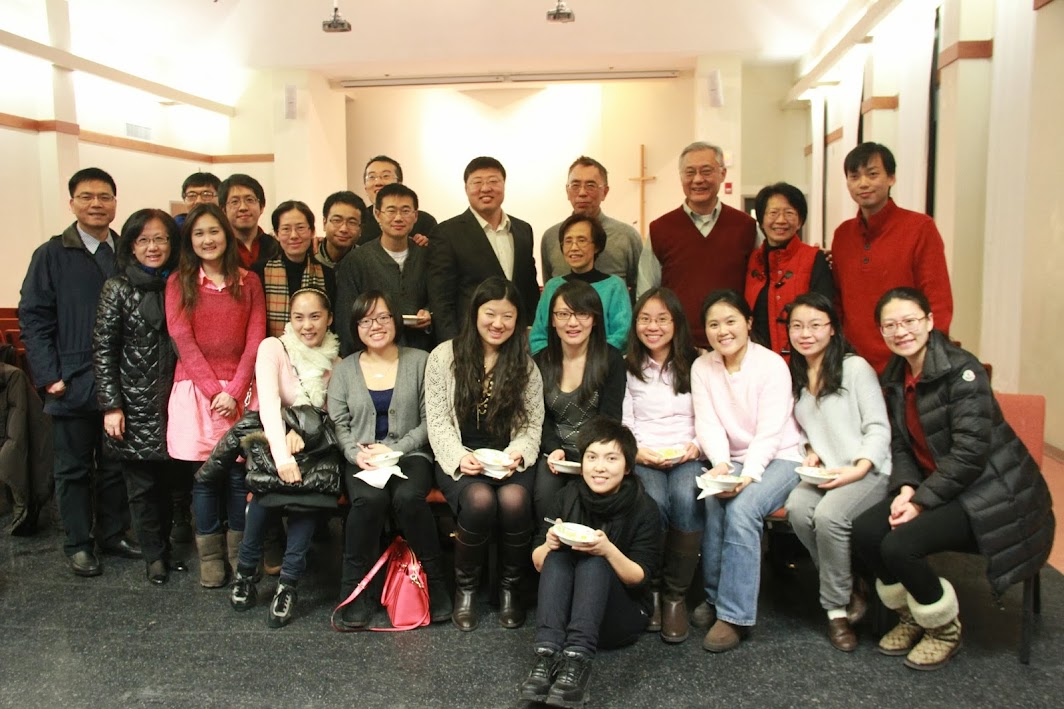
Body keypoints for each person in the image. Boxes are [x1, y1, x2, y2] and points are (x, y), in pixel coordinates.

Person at [852, 287, 1054, 671]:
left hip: (992, 494)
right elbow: (900, 444)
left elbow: (970, 455)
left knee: (899, 545)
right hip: (939, 486)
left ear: (930, 321)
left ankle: (944, 628)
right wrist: (906, 488)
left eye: (909, 321)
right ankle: (913, 615)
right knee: (865, 531)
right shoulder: (895, 374)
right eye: (890, 325)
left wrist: (919, 502)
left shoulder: (963, 372)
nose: (901, 331)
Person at [19, 167, 141, 577]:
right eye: (87, 196)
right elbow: (33, 318)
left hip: (121, 381)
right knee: (72, 468)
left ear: (115, 202)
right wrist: (48, 375)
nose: (96, 204)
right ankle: (78, 543)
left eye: (104, 196)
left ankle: (112, 533)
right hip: (71, 379)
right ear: (71, 203)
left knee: (115, 465)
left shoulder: (127, 252)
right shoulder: (51, 255)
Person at [425, 277, 544, 631]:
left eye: (507, 316)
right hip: (460, 455)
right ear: (475, 312)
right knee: (479, 500)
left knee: (513, 500)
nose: (498, 323)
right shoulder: (443, 356)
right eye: (490, 313)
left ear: (518, 320)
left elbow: (531, 425)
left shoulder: (525, 365)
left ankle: (510, 589)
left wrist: (517, 454)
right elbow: (438, 420)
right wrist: (458, 457)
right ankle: (466, 590)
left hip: (507, 458)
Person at [329, 290, 452, 628]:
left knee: (409, 498)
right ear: (356, 327)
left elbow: (432, 420)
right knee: (368, 501)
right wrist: (356, 453)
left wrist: (397, 449)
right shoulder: (345, 369)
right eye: (366, 320)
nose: (376, 326)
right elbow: (339, 424)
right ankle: (355, 591)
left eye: (383, 317)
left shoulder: (421, 361)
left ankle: (436, 584)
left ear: (396, 320)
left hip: (411, 454)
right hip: (364, 458)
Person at [519, 416, 662, 708]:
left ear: (628, 466)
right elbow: (538, 562)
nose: (599, 467)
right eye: (592, 457)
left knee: (595, 561)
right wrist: (549, 544)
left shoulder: (645, 508)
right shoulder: (566, 496)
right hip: (568, 616)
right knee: (557, 556)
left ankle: (577, 663)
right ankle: (546, 655)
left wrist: (608, 550)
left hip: (620, 615)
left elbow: (639, 577)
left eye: (611, 458)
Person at [690, 289, 804, 652]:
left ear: (748, 323)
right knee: (712, 500)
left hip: (782, 456)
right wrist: (722, 465)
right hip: (735, 458)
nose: (722, 331)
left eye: (731, 321)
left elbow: (771, 432)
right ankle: (714, 596)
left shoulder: (772, 365)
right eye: (713, 324)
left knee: (742, 508)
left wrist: (746, 475)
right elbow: (708, 423)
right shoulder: (702, 367)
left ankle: (735, 616)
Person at [224, 288, 340, 628]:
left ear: (329, 319)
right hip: (273, 438)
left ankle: (288, 583)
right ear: (289, 319)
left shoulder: (337, 362)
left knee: (307, 500)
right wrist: (283, 450)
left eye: (315, 317)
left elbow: (333, 416)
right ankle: (246, 572)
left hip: (315, 447)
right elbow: (269, 405)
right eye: (298, 317)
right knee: (265, 492)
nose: (307, 325)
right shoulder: (273, 348)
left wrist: (304, 435)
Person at [782, 293, 890, 651]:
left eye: (815, 325)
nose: (805, 334)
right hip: (827, 472)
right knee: (798, 509)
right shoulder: (797, 375)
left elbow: (878, 427)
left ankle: (836, 610)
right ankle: (851, 581)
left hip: (869, 470)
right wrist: (811, 451)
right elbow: (804, 429)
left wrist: (858, 469)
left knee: (828, 517)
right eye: (797, 326)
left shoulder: (854, 368)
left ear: (832, 329)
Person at [166, 203, 266, 588]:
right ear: (190, 241)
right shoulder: (179, 282)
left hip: (242, 388)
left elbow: (256, 338)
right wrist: (214, 391)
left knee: (240, 474)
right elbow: (182, 339)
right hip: (196, 390)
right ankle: (210, 558)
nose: (207, 239)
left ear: (226, 234)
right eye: (199, 233)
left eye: (214, 231)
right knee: (205, 477)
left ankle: (240, 555)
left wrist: (235, 390)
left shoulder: (249, 282)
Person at [93, 209, 187, 584]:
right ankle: (154, 557)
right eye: (144, 240)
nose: (153, 247)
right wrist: (111, 405)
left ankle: (166, 548)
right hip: (134, 406)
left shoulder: (179, 285)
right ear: (131, 246)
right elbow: (103, 350)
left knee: (170, 485)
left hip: (174, 403)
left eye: (160, 238)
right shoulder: (117, 288)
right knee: (142, 487)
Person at [623, 287, 703, 643]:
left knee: (686, 498)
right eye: (645, 319)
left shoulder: (698, 363)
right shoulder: (627, 366)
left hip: (688, 453)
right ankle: (652, 588)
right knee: (653, 503)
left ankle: (675, 595)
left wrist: (696, 447)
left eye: (662, 319)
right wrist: (637, 453)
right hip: (645, 455)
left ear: (676, 323)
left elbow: (711, 415)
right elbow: (625, 421)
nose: (652, 327)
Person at [831, 143, 953, 373]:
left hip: (907, 360)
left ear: (891, 178)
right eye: (854, 177)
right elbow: (838, 300)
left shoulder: (920, 228)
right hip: (853, 362)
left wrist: (928, 360)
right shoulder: (842, 235)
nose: (863, 183)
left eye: (872, 174)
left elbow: (937, 299)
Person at [637, 142, 756, 348]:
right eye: (690, 172)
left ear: (723, 174)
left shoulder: (746, 227)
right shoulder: (660, 229)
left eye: (706, 171)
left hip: (731, 344)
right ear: (681, 177)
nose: (698, 179)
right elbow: (646, 294)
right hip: (678, 346)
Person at [532, 280, 626, 520]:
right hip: (555, 453)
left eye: (582, 314)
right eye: (563, 314)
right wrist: (553, 449)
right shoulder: (540, 362)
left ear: (594, 319)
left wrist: (589, 455)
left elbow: (610, 418)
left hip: (597, 450)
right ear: (553, 320)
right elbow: (539, 418)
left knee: (587, 505)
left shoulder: (611, 360)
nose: (572, 323)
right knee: (544, 497)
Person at [427, 156, 540, 341]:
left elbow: (530, 290)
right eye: (477, 182)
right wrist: (452, 345)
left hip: (516, 339)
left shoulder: (523, 230)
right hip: (469, 339)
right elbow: (441, 300)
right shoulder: (446, 233)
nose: (486, 188)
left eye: (493, 181)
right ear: (466, 188)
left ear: (504, 185)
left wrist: (532, 336)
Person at [335, 183, 433, 355]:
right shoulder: (356, 261)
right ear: (377, 214)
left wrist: (429, 312)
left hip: (421, 353)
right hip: (371, 356)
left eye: (406, 211)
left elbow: (440, 299)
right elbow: (346, 319)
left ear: (415, 216)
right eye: (391, 210)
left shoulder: (428, 257)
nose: (398, 218)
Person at [744, 182, 833, 357]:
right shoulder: (752, 260)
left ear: (800, 221)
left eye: (789, 213)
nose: (781, 220)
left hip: (802, 359)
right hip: (757, 360)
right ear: (761, 220)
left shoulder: (814, 258)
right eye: (773, 213)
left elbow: (825, 314)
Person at [529, 214, 631, 354]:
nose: (574, 247)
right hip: (556, 363)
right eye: (568, 241)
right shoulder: (552, 286)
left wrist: (588, 359)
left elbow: (622, 335)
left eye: (582, 240)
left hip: (603, 362)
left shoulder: (614, 286)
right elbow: (538, 336)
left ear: (597, 246)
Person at [540, 156, 642, 294]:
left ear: (604, 192)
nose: (582, 193)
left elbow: (639, 291)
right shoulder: (551, 237)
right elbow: (549, 291)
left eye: (590, 186)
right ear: (567, 191)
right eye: (575, 186)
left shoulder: (626, 236)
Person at [255, 200, 336, 338]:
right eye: (286, 229)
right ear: (276, 234)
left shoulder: (326, 274)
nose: (294, 235)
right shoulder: (260, 271)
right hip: (273, 347)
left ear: (312, 231)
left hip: (316, 347)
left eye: (300, 228)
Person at [359, 155, 437, 246]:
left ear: (399, 183)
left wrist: (427, 245)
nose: (378, 182)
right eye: (372, 177)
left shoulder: (425, 222)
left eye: (386, 176)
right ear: (365, 187)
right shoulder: (359, 221)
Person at [219, 173, 280, 272]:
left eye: (249, 200)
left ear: (261, 207)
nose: (243, 207)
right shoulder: (218, 249)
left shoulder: (276, 248)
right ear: (223, 210)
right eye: (235, 202)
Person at [315, 190, 365, 268]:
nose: (343, 229)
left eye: (352, 222)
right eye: (337, 220)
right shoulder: (308, 256)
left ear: (361, 229)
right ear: (324, 223)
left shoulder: (367, 262)